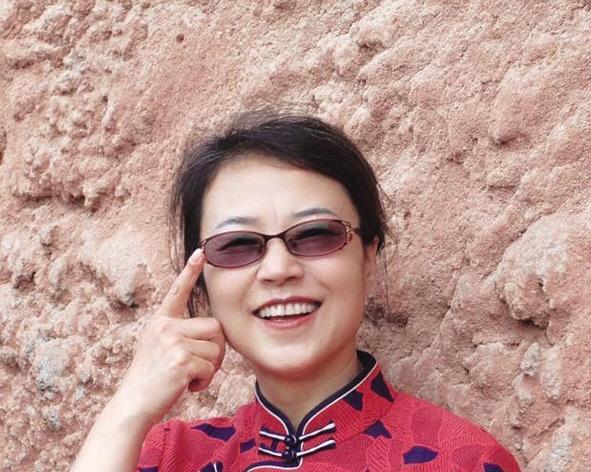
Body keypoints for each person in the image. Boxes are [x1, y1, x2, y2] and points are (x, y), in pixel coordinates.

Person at [72, 112, 521, 471]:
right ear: (203, 279)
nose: (278, 269)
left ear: (368, 256)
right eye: (237, 244)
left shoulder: (462, 460)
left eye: (315, 234)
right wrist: (128, 408)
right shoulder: (164, 458)